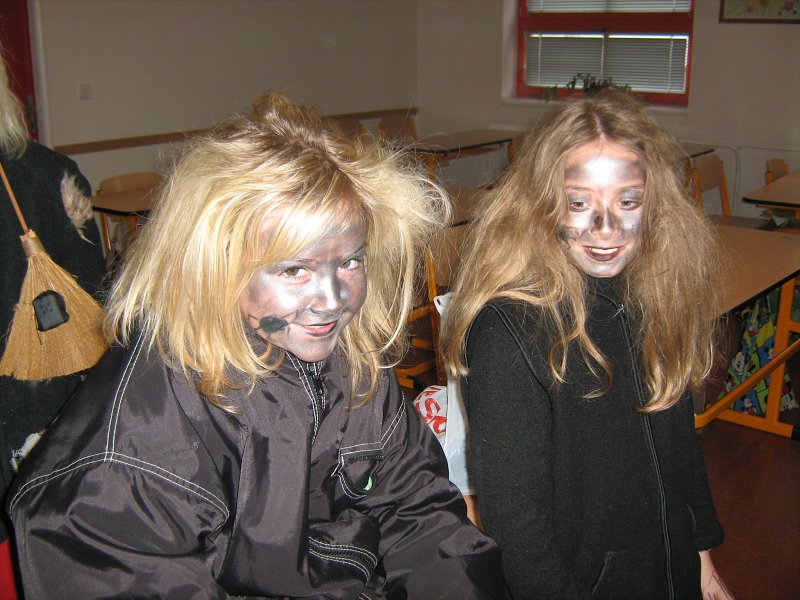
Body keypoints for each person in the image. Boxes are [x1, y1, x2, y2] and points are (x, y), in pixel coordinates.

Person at [7, 91, 509, 599]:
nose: (333, 301)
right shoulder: (127, 461)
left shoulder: (346, 360)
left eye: (350, 261)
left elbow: (419, 510)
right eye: (295, 269)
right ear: (215, 267)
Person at [441, 92, 734, 599]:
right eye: (579, 204)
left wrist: (701, 556)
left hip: (669, 569)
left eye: (628, 201)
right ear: (541, 204)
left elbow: (678, 449)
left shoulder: (653, 294)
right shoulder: (509, 330)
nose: (606, 228)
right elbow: (518, 527)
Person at [0, 46, 106, 599]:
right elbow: (97, 298)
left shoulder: (44, 175)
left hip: (31, 425)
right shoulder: (51, 173)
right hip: (49, 435)